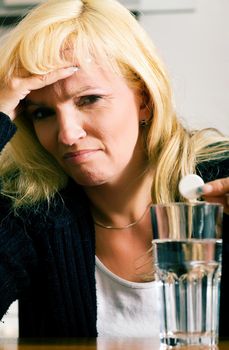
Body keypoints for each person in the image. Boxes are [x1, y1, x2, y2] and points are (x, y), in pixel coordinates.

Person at [0, 0, 228, 338]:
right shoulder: (32, 211)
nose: (67, 133)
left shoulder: (219, 184)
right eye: (42, 113)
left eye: (89, 99)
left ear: (145, 100)